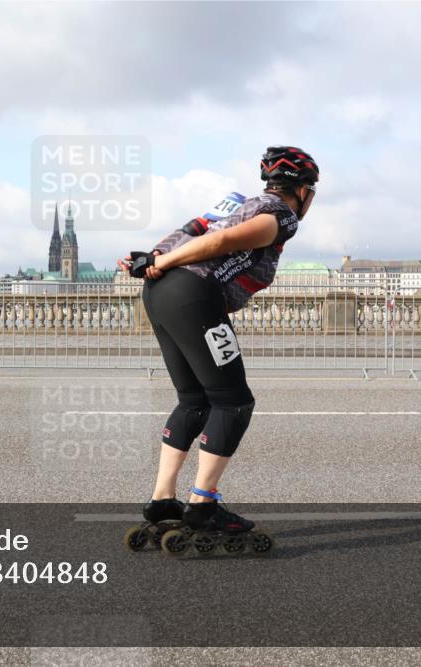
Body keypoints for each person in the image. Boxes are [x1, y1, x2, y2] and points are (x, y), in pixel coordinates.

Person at [119, 146, 319, 551]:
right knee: (233, 402)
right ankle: (202, 504)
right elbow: (222, 241)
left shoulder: (235, 202)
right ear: (303, 192)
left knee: (194, 400)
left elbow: (190, 229)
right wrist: (165, 261)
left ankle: (162, 499)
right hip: (194, 295)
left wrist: (154, 258)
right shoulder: (282, 216)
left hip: (159, 293)